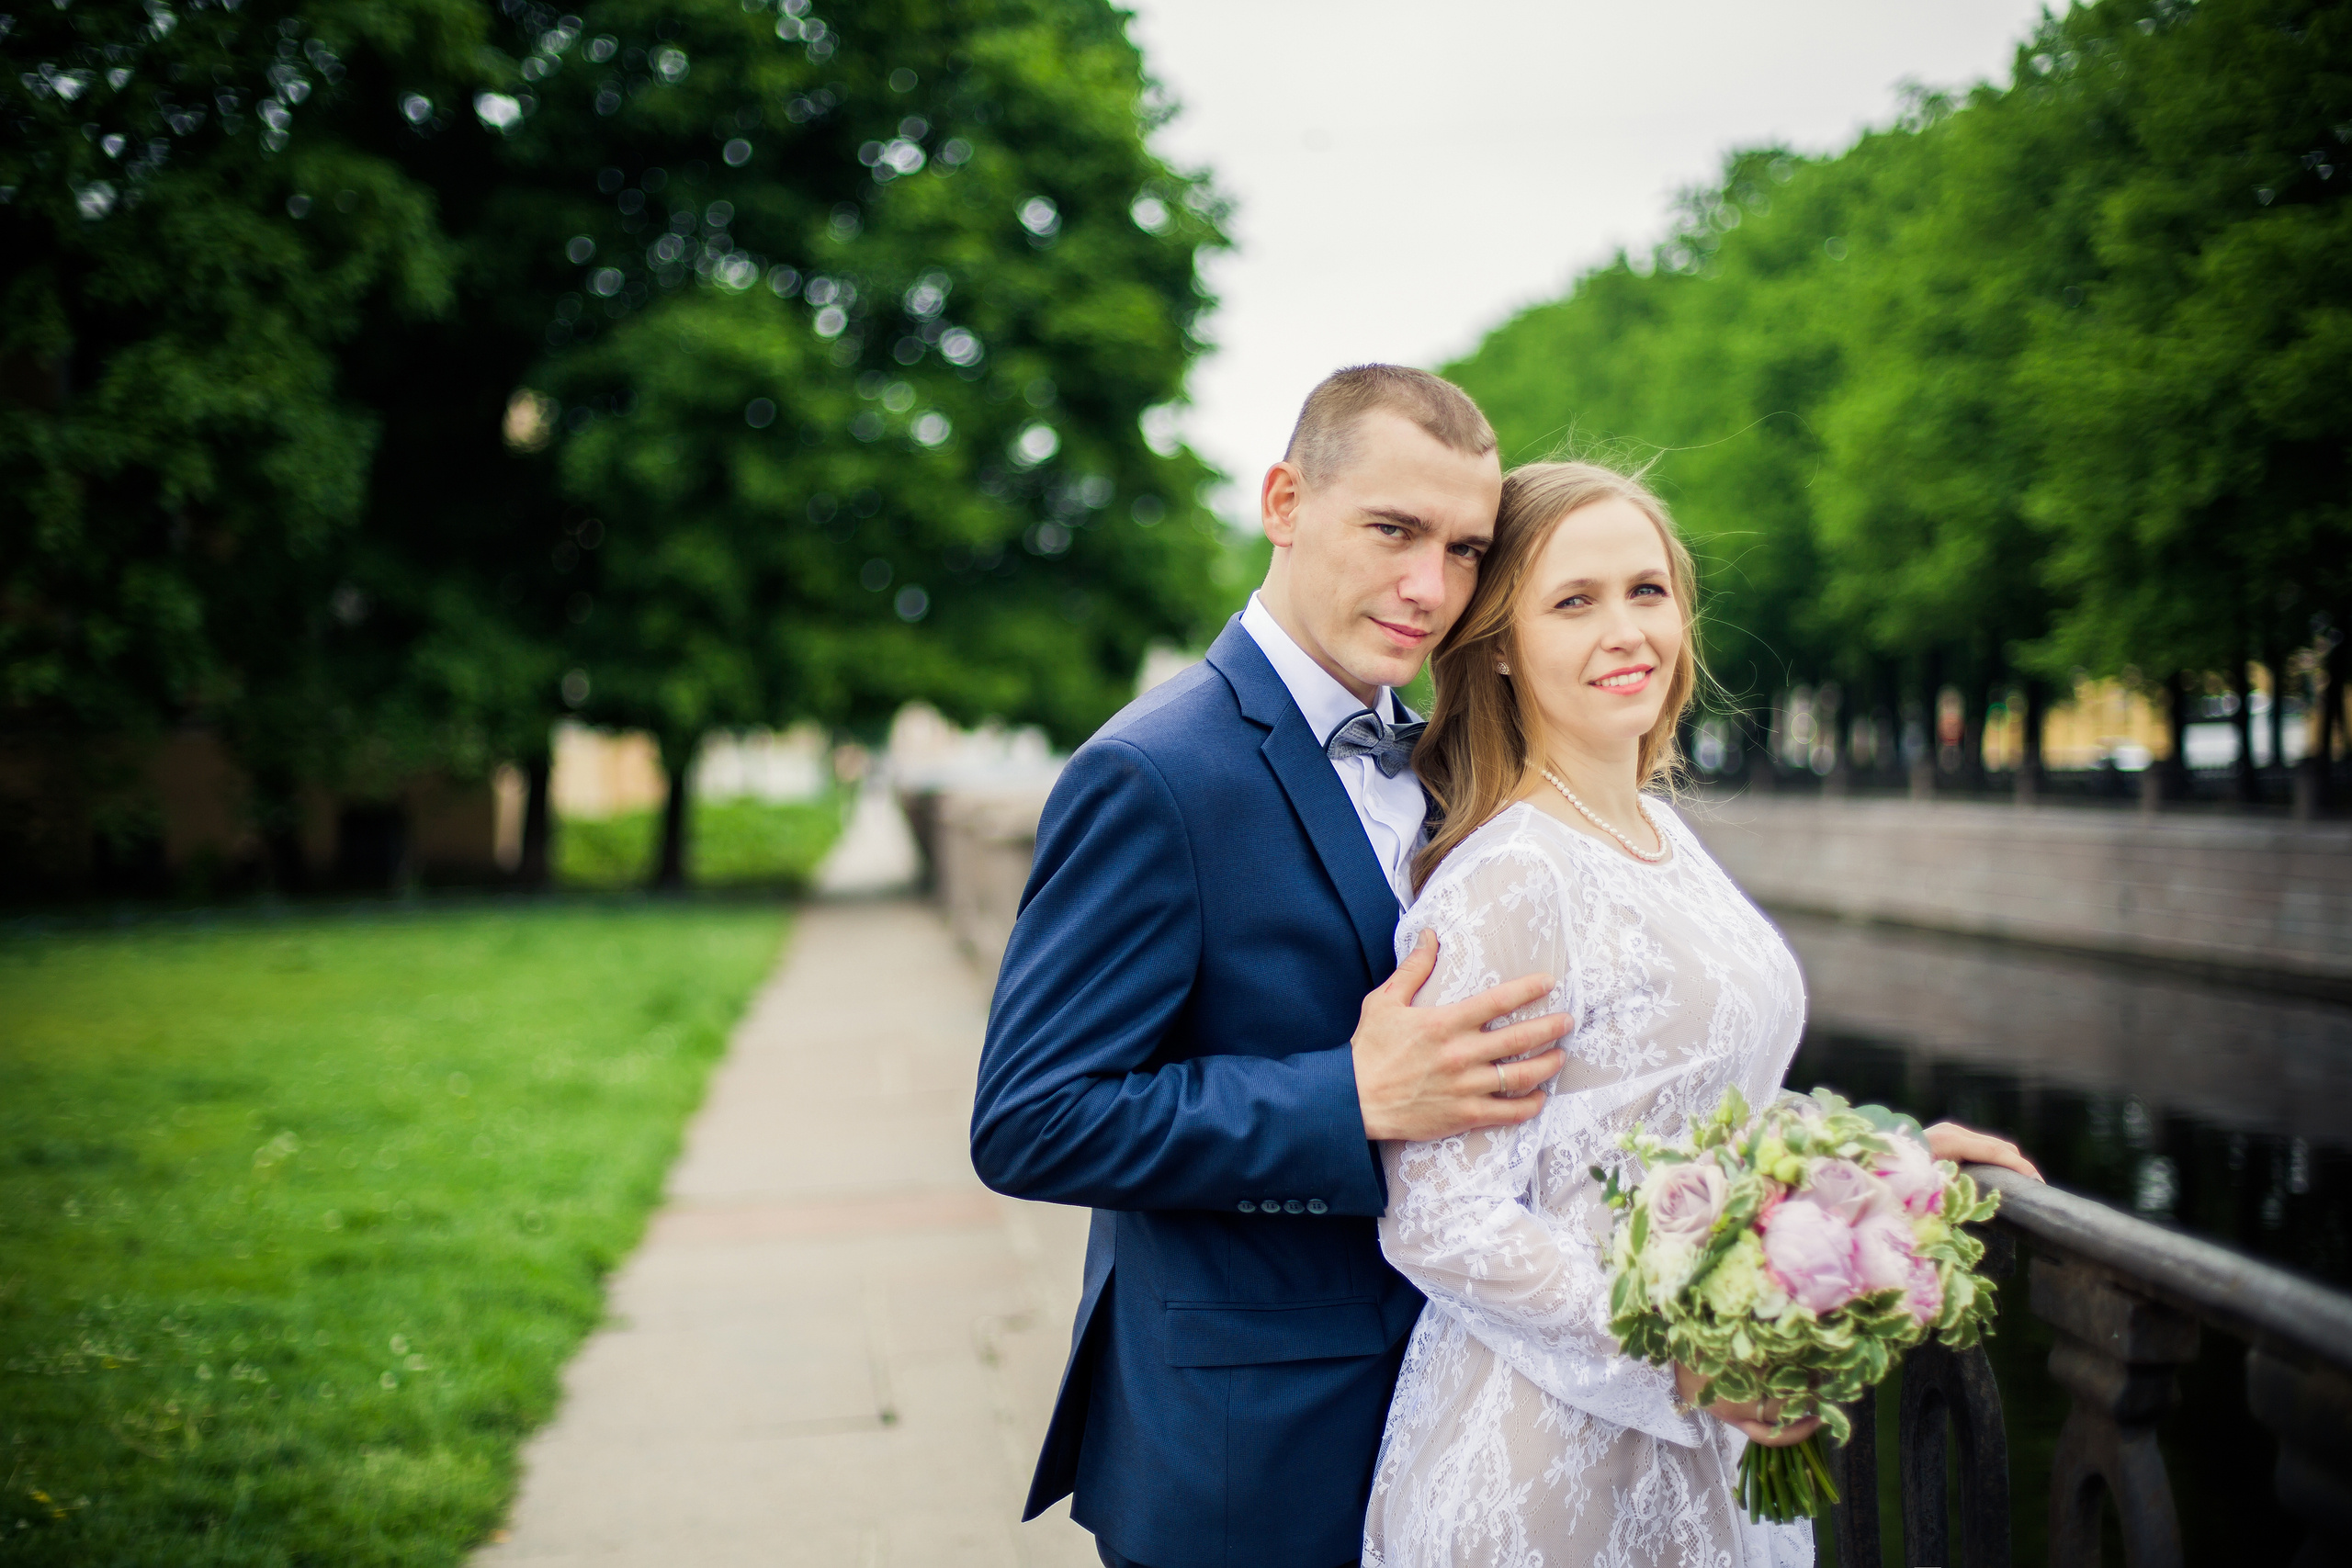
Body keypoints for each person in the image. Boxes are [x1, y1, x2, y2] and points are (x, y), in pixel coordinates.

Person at [1361, 460, 2039, 1567]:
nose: (1626, 630)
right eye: (1573, 602)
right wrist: (1681, 1362)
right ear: (1496, 644)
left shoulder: (1661, 833)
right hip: (1551, 1458)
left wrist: (1886, 1165)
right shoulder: (1508, 878)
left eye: (1648, 590)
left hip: (1708, 1441)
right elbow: (1441, 1217)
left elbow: (1701, 1105)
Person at [971, 366, 1575, 1568]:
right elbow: (1031, 1119)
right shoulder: (1154, 772)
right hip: (1248, 1458)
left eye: (1464, 549)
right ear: (1285, 501)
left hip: (1461, 1423)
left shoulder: (1457, 764)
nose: (1430, 587)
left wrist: (1860, 1159)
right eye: (1394, 530)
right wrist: (1344, 1098)